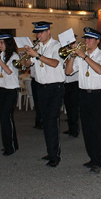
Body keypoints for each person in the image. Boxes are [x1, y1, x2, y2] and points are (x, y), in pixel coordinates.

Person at [65, 27, 101, 174]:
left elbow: (100, 70)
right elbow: (68, 72)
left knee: (95, 129)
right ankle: (92, 157)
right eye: (85, 39)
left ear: (97, 41)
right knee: (87, 129)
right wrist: (72, 55)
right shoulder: (80, 56)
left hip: (97, 96)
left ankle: (98, 160)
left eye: (90, 39)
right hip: (83, 94)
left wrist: (83, 56)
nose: (86, 41)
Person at [23, 21, 65, 168]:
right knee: (45, 121)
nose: (38, 35)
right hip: (41, 87)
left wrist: (37, 55)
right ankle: (50, 151)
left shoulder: (57, 46)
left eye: (41, 32)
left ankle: (55, 155)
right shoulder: (38, 46)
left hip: (55, 88)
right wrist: (28, 55)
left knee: (52, 121)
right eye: (37, 33)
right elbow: (27, 65)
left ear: (49, 32)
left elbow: (54, 63)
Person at [63, 42, 80, 138]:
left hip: (74, 83)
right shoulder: (66, 55)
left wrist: (68, 60)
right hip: (66, 83)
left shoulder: (76, 56)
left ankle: (75, 130)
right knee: (68, 107)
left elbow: (71, 70)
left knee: (73, 107)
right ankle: (71, 128)